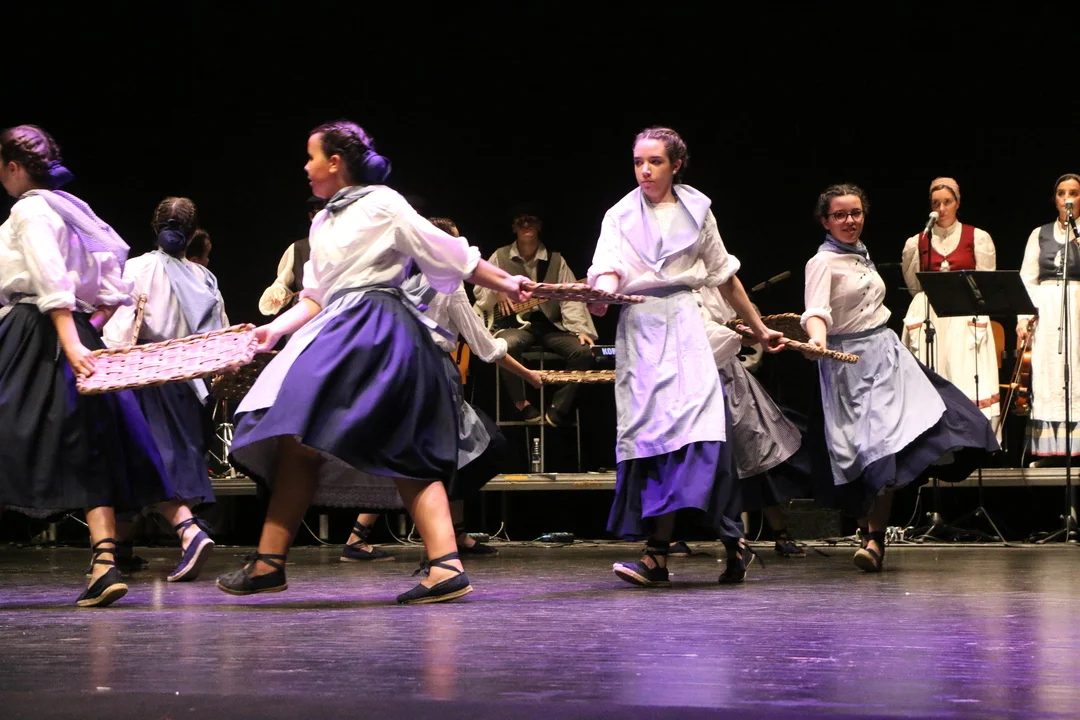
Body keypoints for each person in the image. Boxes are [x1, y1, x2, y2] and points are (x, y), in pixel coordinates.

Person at [214, 120, 531, 604]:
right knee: (297, 438)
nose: (305, 167)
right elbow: (316, 295)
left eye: (311, 157)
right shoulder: (322, 222)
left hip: (378, 328)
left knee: (398, 443)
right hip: (335, 328)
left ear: (335, 162)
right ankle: (269, 563)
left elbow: (448, 253)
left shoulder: (383, 202)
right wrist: (272, 330)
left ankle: (445, 565)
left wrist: (507, 282)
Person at [0, 124, 202, 605]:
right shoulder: (76, 211)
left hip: (37, 330)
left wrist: (69, 339)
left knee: (44, 438)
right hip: (74, 330)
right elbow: (113, 287)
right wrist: (83, 330)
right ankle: (106, 561)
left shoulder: (30, 209)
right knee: (93, 443)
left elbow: (49, 277)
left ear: (14, 167)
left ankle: (119, 556)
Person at [588, 126, 783, 587]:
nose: (644, 170)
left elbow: (724, 277)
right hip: (641, 330)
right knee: (653, 438)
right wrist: (600, 294)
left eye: (654, 161)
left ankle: (717, 541)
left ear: (676, 165)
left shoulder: (698, 210)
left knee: (700, 435)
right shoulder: (619, 214)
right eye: (638, 162)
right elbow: (608, 268)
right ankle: (665, 554)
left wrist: (759, 329)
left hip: (685, 325)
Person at [802, 183, 999, 572]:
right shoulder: (822, 262)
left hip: (886, 356)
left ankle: (875, 538)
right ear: (825, 221)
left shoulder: (860, 255)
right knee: (861, 453)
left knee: (891, 443)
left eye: (855, 213)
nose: (849, 221)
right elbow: (816, 311)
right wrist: (818, 341)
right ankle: (867, 531)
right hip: (848, 365)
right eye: (840, 215)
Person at [342, 217, 542, 562]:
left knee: (429, 453)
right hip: (431, 378)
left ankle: (375, 538)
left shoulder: (398, 280)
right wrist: (528, 375)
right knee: (476, 449)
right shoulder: (449, 285)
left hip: (395, 375)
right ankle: (439, 547)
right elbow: (485, 346)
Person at [102, 196, 229, 582]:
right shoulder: (204, 278)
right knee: (159, 458)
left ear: (155, 228)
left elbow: (118, 328)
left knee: (146, 459)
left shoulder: (138, 268)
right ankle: (120, 548)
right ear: (192, 235)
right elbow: (219, 333)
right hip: (186, 384)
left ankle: (188, 532)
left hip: (145, 378)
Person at [696, 285, 816, 557]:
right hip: (695, 380)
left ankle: (780, 532)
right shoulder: (681, 291)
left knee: (753, 454)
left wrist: (746, 335)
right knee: (698, 461)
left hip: (730, 380)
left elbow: (748, 334)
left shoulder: (721, 289)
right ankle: (672, 536)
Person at [473, 205, 597, 427]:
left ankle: (559, 407)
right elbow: (480, 284)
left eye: (531, 220)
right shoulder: (500, 256)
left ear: (539, 225)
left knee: (584, 351)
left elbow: (570, 298)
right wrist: (497, 290)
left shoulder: (556, 260)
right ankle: (521, 403)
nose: (526, 225)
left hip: (550, 325)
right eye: (521, 222)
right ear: (514, 228)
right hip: (513, 326)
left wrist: (580, 329)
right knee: (505, 345)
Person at [900, 177, 999, 425]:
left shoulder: (977, 237)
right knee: (932, 370)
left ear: (957, 203)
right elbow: (914, 285)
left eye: (947, 202)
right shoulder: (917, 242)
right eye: (936, 203)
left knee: (964, 372)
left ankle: (971, 430)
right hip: (931, 314)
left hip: (964, 315)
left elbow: (985, 283)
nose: (941, 209)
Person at [1017, 173, 1080, 458]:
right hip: (1047, 310)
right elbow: (1027, 278)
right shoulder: (1039, 234)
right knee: (1048, 373)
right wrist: (1023, 317)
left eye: (1074, 193)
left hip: (1077, 308)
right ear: (1055, 200)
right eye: (1062, 193)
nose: (1068, 198)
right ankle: (1050, 450)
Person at [258, 196, 327, 317]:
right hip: (306, 317)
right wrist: (278, 293)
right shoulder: (298, 248)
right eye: (320, 215)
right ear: (311, 216)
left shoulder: (348, 245)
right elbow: (282, 284)